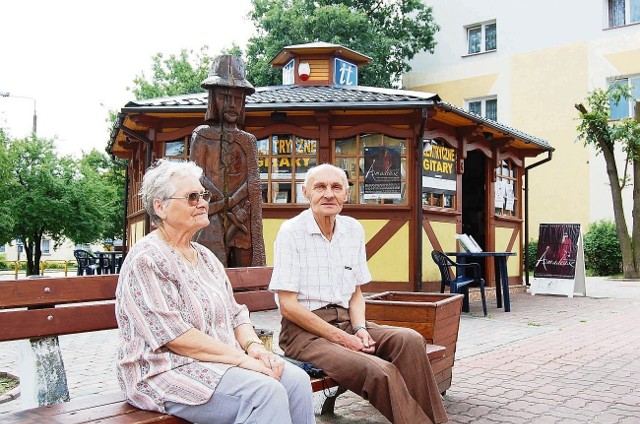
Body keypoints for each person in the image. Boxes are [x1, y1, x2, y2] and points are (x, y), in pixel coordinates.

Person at [115, 159, 314, 424]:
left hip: (217, 363)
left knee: (297, 381)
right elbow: (175, 337)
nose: (202, 202)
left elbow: (235, 315)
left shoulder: (205, 257)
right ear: (160, 207)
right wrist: (242, 361)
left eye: (204, 195)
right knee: (264, 392)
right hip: (164, 370)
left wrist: (255, 348)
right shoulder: (147, 259)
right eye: (191, 197)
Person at [269, 163, 449, 424]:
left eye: (336, 187)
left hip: (346, 323)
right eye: (320, 187)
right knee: (380, 371)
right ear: (305, 192)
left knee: (409, 339)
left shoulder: (353, 230)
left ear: (346, 195)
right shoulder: (291, 232)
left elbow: (355, 293)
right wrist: (343, 338)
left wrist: (361, 328)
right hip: (303, 333)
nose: (328, 194)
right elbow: (288, 306)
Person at [190, 54, 266, 268]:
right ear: (214, 98)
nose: (233, 104)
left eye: (238, 98)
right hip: (211, 214)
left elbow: (253, 181)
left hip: (242, 216)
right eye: (226, 97)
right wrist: (222, 200)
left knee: (245, 265)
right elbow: (197, 175)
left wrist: (235, 200)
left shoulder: (247, 140)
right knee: (210, 264)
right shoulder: (202, 135)